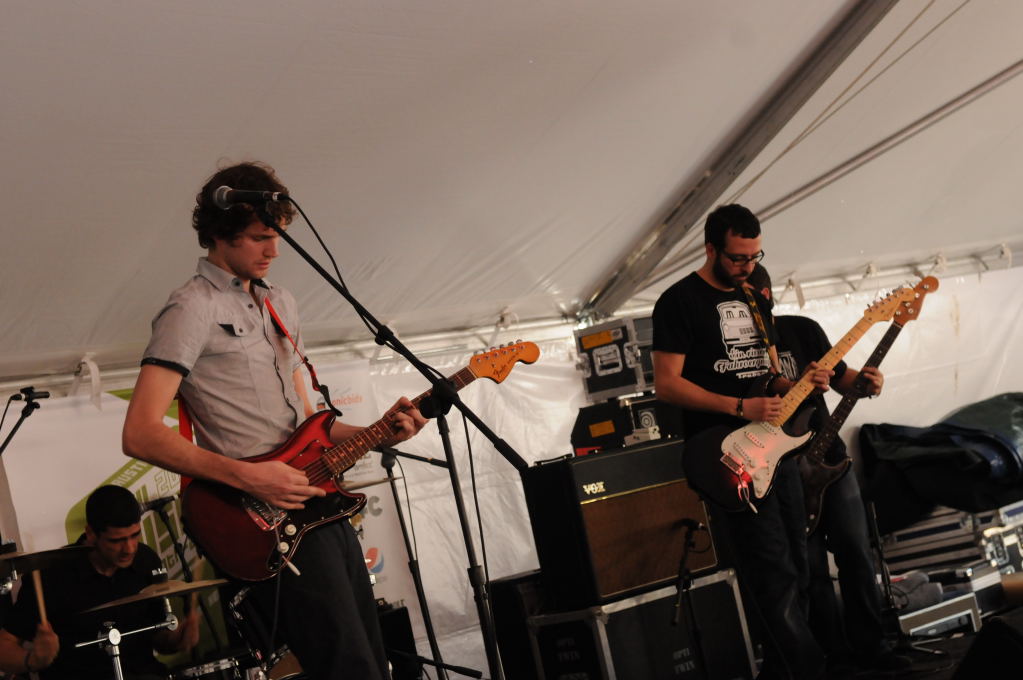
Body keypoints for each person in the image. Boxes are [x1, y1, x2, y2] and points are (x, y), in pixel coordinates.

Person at [121, 161, 427, 680]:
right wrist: (249, 476)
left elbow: (311, 425)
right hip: (264, 518)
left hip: (319, 505)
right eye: (261, 237)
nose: (274, 250)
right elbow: (140, 432)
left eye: (277, 236)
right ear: (222, 234)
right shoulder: (189, 309)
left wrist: (377, 433)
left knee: (376, 660)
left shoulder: (280, 302)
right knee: (346, 667)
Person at [651, 204, 828, 680]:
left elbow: (768, 375)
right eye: (737, 258)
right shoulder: (679, 301)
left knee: (799, 564)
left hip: (774, 446)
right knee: (772, 572)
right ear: (711, 249)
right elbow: (666, 384)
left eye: (754, 256)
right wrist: (737, 407)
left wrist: (799, 384)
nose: (747, 266)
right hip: (726, 451)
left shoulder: (754, 297)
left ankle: (785, 671)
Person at [746, 264, 911, 674]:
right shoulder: (734, 352)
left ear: (765, 295)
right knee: (810, 569)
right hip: (778, 468)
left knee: (856, 553)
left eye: (747, 297)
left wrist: (869, 383)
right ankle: (835, 657)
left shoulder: (802, 330)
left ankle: (874, 648)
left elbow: (843, 378)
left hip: (829, 457)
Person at [0, 484, 200, 680]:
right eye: (117, 540)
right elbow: (4, 645)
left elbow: (158, 639)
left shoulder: (146, 561)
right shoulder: (52, 575)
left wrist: (177, 639)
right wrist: (33, 660)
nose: (130, 548)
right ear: (91, 534)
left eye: (135, 535)